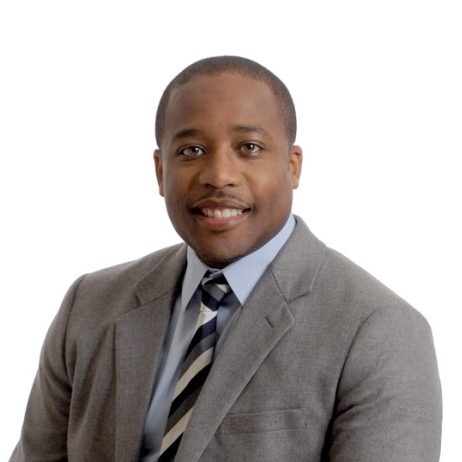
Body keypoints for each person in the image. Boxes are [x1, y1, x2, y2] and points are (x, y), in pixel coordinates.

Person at [10, 56, 442, 462]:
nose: (218, 176)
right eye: (191, 151)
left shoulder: (380, 331)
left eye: (249, 147)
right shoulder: (89, 306)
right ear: (160, 171)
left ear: (293, 166)